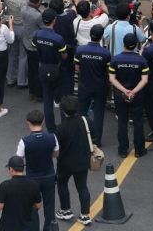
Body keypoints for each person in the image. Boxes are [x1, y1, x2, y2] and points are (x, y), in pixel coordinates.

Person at [16, 109, 59, 231]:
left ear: (28, 122)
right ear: (43, 121)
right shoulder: (52, 137)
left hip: (32, 178)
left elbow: (18, 160)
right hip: (49, 176)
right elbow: (56, 154)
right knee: (49, 206)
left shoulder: (24, 141)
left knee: (32, 207)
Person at [109, 33, 149, 158]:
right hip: (137, 96)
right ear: (136, 45)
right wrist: (133, 91)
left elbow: (112, 79)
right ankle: (139, 150)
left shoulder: (115, 59)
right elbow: (144, 80)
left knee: (122, 122)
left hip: (120, 95)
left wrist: (124, 91)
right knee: (138, 122)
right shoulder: (142, 60)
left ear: (123, 44)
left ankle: (123, 150)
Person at [54, 96, 92, 226]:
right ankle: (85, 215)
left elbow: (56, 147)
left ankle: (65, 210)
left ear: (63, 111)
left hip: (65, 162)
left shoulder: (61, 128)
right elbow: (94, 135)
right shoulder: (85, 120)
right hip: (82, 160)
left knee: (62, 184)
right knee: (82, 187)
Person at [4, 0, 43, 88]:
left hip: (11, 26)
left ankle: (10, 78)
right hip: (22, 28)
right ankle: (21, 81)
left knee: (12, 53)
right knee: (23, 55)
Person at [74, 24, 110, 147]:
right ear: (101, 37)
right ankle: (96, 140)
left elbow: (77, 68)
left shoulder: (80, 50)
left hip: (84, 85)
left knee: (81, 112)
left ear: (90, 35)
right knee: (99, 113)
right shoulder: (105, 53)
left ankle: (80, 137)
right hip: (100, 86)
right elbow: (107, 71)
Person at [32, 8, 68, 133]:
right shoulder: (58, 38)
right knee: (62, 98)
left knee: (47, 100)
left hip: (43, 68)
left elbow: (35, 47)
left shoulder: (36, 35)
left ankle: (51, 128)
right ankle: (64, 126)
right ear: (54, 20)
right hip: (56, 69)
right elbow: (64, 55)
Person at [0, 156, 42, 231]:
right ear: (23, 169)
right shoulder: (34, 185)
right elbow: (38, 206)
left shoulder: (4, 185)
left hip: (8, 226)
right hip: (27, 226)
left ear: (11, 169)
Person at [49, 0, 77, 98]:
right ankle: (68, 97)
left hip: (54, 50)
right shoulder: (69, 16)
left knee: (57, 73)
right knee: (68, 74)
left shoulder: (50, 19)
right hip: (68, 50)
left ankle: (56, 96)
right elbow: (74, 9)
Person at [22, 0, 46, 103]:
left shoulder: (24, 9)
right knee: (37, 70)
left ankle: (31, 91)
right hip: (35, 46)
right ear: (39, 1)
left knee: (31, 69)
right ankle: (38, 93)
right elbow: (45, 28)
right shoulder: (37, 15)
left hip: (26, 42)